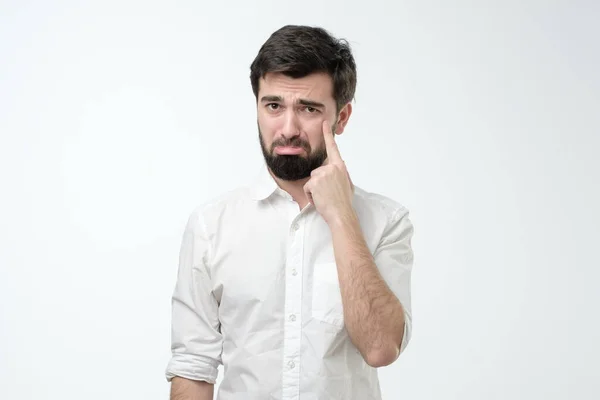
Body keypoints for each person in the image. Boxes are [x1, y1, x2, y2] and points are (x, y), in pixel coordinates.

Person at [165, 24, 415, 400]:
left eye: (309, 109)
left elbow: (380, 347)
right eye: (274, 106)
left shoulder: (386, 222)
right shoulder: (211, 225)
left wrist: (342, 217)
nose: (288, 129)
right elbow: (193, 369)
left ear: (341, 118)